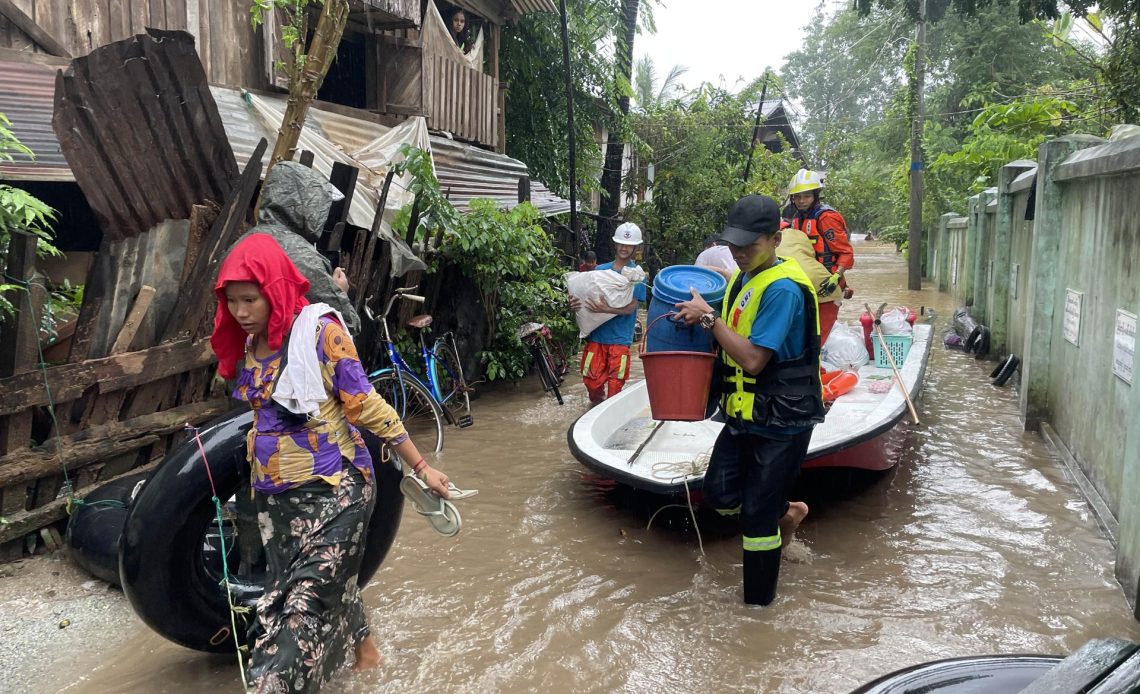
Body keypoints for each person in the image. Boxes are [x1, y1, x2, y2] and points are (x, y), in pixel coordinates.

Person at [211, 233, 452, 692]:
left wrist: (422, 467)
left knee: (302, 606)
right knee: (295, 586)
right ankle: (366, 649)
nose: (240, 312)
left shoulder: (321, 333)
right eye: (232, 301)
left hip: (337, 490)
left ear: (274, 289)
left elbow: (367, 406)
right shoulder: (250, 342)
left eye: (250, 299)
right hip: (276, 499)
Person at [674, 195, 825, 606]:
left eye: (750, 245)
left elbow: (754, 359)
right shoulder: (744, 279)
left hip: (783, 420)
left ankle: (759, 611)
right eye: (734, 245)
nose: (740, 254)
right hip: (745, 414)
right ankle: (789, 512)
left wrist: (709, 318)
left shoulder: (783, 290)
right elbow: (724, 331)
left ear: (775, 239)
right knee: (720, 494)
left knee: (756, 518)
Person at [236, 161, 360, 335]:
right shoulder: (302, 257)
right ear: (309, 206)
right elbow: (347, 324)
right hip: (282, 357)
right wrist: (340, 291)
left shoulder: (241, 243)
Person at [568, 222, 648, 403]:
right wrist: (573, 304)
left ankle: (609, 418)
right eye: (621, 243)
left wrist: (606, 309)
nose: (624, 248)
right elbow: (584, 296)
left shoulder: (637, 276)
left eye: (629, 245)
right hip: (597, 336)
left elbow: (631, 307)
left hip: (619, 338)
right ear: (616, 244)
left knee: (615, 385)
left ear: (635, 247)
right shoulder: (599, 270)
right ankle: (595, 409)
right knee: (591, 383)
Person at [787, 168, 854, 344]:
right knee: (803, 330)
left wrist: (836, 277)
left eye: (806, 196)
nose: (801, 201)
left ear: (816, 196)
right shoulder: (795, 218)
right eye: (797, 197)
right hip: (803, 280)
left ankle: (815, 367)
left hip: (827, 282)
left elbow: (846, 252)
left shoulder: (826, 218)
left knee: (819, 335)